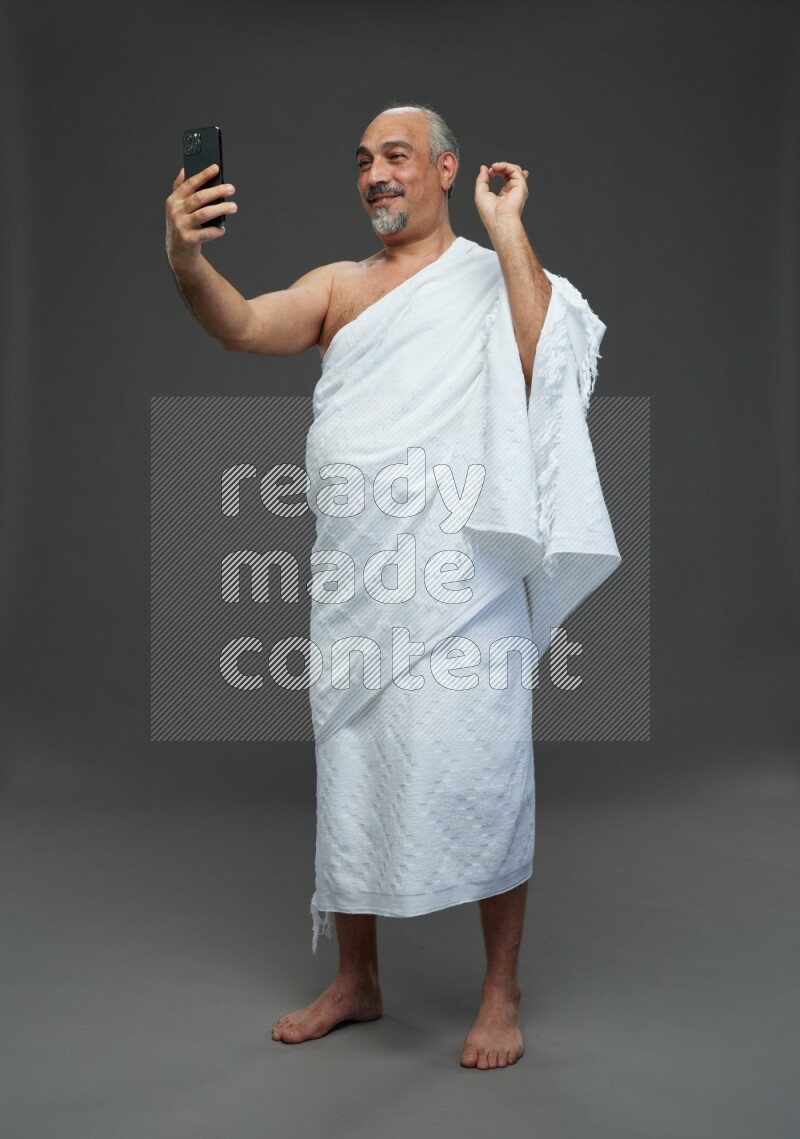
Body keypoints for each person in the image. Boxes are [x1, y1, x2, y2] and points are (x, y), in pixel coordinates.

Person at [165, 102, 620, 1070]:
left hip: (463, 579)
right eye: (364, 160)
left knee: (487, 768)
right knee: (355, 771)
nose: (375, 174)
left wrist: (508, 234)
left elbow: (545, 363)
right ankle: (357, 976)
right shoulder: (338, 287)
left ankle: (501, 987)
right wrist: (185, 262)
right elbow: (243, 326)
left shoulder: (491, 274)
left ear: (446, 170)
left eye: (397, 157)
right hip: (360, 580)